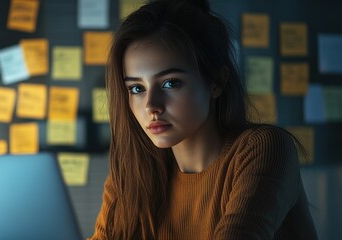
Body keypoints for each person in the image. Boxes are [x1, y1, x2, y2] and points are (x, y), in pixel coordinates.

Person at [90, 0, 318, 239]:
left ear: (216, 82)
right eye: (136, 88)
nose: (151, 106)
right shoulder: (134, 171)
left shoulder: (263, 148)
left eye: (171, 83)